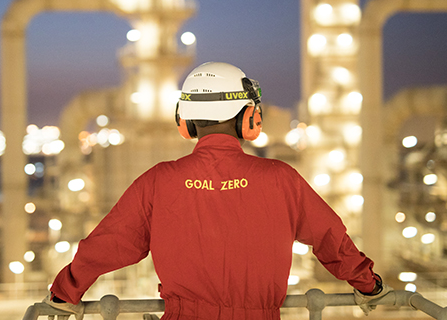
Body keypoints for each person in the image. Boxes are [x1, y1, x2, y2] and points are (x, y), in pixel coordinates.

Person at [44, 62, 391, 319]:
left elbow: (107, 245)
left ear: (186, 121)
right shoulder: (281, 178)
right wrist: (368, 285)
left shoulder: (158, 181)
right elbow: (332, 239)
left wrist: (64, 293)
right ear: (248, 118)